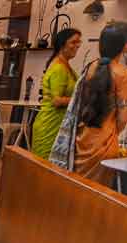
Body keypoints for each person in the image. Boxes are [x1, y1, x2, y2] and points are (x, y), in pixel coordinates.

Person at [73, 22, 127, 186]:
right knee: (98, 196)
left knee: (79, 189)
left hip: (84, 138)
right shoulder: (122, 73)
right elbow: (123, 117)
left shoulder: (90, 67)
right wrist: (113, 132)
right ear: (124, 46)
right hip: (105, 141)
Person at [32, 28, 82, 160]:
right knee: (45, 169)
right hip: (49, 126)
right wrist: (81, 99)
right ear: (62, 45)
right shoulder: (59, 68)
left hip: (57, 125)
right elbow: (57, 101)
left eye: (79, 42)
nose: (77, 45)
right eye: (73, 42)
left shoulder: (65, 65)